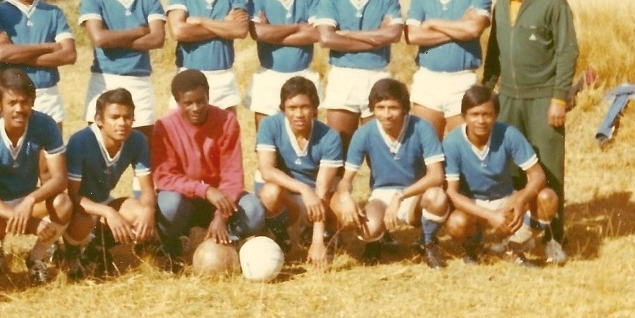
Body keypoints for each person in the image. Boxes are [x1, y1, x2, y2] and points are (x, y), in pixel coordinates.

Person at [483, 0, 579, 266]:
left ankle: (554, 237)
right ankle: (516, 236)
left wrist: (558, 98)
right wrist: (486, 91)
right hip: (508, 97)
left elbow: (567, 52)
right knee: (511, 169)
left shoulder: (552, 1)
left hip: (543, 97)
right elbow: (494, 52)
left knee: (547, 167)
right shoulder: (500, 3)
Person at [0, 0, 77, 273]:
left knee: (51, 177)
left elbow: (68, 55)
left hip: (48, 96)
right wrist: (48, 46)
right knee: (1, 171)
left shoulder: (52, 12)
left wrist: (19, 53)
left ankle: (45, 246)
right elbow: (0, 54)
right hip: (12, 100)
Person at [0, 69, 73, 292]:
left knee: (63, 203)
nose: (19, 109)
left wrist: (30, 201)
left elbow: (60, 179)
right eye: (12, 102)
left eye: (25, 102)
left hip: (26, 198)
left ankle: (36, 258)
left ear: (32, 102)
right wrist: (26, 219)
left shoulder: (45, 124)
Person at [330, 78, 449, 269]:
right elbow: (346, 179)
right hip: (382, 194)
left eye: (393, 107)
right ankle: (376, 241)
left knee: (437, 196)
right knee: (368, 229)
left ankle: (427, 242)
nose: (386, 114)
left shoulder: (422, 127)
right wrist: (345, 196)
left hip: (414, 192)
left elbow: (436, 176)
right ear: (373, 109)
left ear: (404, 108)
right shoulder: (365, 133)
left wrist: (400, 196)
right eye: (380, 107)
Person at [152, 69, 265, 267]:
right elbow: (164, 177)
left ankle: (227, 239)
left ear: (208, 97)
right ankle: (178, 243)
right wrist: (204, 190)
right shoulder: (165, 126)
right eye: (188, 103)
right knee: (167, 204)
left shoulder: (226, 121)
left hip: (221, 202)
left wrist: (221, 216)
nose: (195, 108)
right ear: (178, 103)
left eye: (201, 101)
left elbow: (233, 177)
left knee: (254, 211)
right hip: (186, 201)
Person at [442, 85, 559, 266]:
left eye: (487, 114)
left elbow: (538, 176)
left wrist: (521, 200)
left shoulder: (508, 134)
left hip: (505, 199)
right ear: (464, 116)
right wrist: (489, 215)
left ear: (496, 115)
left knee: (548, 198)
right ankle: (475, 246)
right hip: (473, 204)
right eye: (475, 114)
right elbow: (452, 193)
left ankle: (514, 246)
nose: (481, 120)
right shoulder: (452, 142)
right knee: (456, 223)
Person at [313, 0, 404, 154]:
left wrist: (345, 34)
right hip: (344, 77)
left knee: (381, 151)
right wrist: (376, 37)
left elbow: (394, 34)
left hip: (377, 75)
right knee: (338, 151)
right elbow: (326, 38)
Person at [78, 0, 166, 143]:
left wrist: (114, 39)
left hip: (139, 81)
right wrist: (138, 31)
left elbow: (158, 39)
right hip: (105, 79)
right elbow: (98, 38)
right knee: (97, 151)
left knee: (143, 151)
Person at [404, 0, 492, 139]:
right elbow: (413, 35)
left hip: (462, 79)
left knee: (463, 146)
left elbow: (473, 30)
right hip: (428, 79)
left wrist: (434, 23)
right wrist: (459, 26)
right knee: (427, 149)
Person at [64, 88, 157, 277]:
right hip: (79, 209)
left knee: (139, 212)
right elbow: (72, 196)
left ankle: (98, 247)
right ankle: (70, 253)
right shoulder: (80, 141)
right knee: (81, 223)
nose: (122, 123)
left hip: (104, 201)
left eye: (127, 117)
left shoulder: (137, 140)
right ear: (99, 119)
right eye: (114, 117)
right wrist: (108, 212)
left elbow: (147, 188)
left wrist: (148, 211)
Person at [255, 76, 343, 269]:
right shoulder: (270, 125)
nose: (299, 114)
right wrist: (303, 189)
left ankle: (324, 234)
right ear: (283, 109)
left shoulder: (329, 136)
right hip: (287, 194)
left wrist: (317, 240)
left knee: (342, 202)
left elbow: (322, 187)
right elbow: (267, 170)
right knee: (269, 192)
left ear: (314, 108)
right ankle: (280, 235)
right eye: (292, 108)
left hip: (315, 199)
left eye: (304, 107)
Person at [166, 0, 249, 113]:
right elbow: (178, 31)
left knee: (225, 137)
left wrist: (201, 21)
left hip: (223, 76)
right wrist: (224, 25)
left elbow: (240, 31)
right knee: (184, 138)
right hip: (188, 75)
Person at [245, 0, 322, 131]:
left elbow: (316, 34)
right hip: (269, 75)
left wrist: (273, 31)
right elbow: (258, 32)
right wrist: (299, 27)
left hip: (303, 74)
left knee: (306, 138)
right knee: (267, 139)